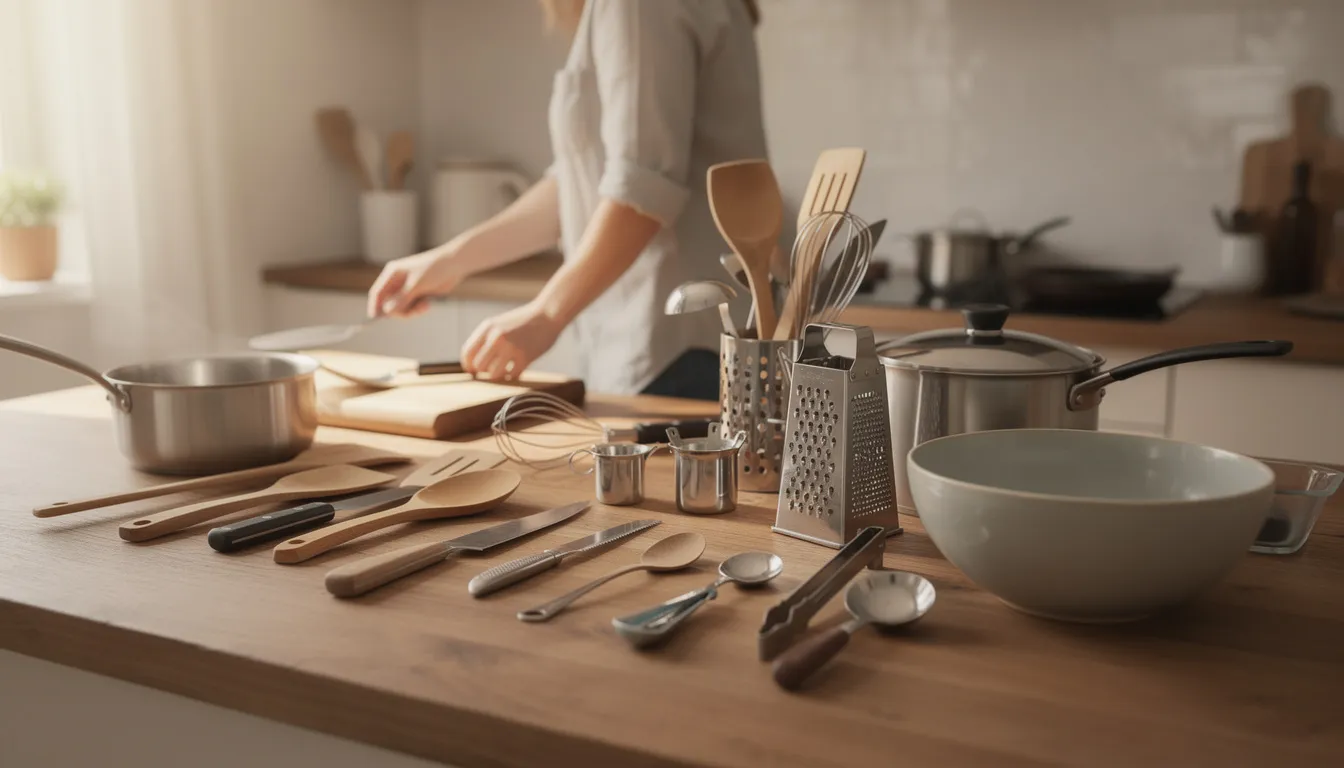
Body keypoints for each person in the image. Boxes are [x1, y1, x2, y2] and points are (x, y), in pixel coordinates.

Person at [366, 0, 767, 401]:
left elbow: (642, 194)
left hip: (676, 349)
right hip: (676, 347)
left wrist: (546, 313)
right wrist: (450, 260)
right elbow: (585, 184)